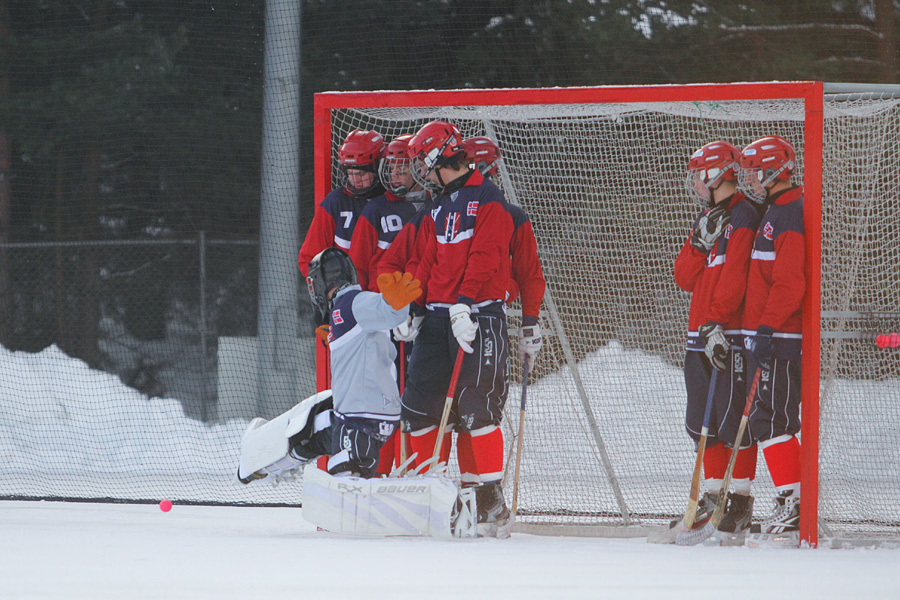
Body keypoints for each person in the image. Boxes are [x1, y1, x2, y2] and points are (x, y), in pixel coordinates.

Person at [400, 121, 520, 536]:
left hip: (476, 314)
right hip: (436, 317)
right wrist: (413, 306)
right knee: (418, 405)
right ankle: (429, 495)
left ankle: (489, 503)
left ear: (437, 158)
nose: (419, 169)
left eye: (421, 160)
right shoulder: (437, 205)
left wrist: (464, 304)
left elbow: (486, 257)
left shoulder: (489, 199)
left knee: (476, 407)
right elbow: (428, 260)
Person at [239, 247, 423, 482]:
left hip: (361, 417)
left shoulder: (353, 303)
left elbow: (388, 312)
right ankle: (262, 469)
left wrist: (396, 305)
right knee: (310, 429)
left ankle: (353, 502)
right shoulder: (345, 309)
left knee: (346, 480)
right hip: (360, 413)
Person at [673, 140, 762, 537]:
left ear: (714, 174)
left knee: (731, 422)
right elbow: (683, 278)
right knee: (702, 422)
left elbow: (737, 276)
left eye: (698, 175)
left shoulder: (744, 215)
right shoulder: (705, 218)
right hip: (699, 336)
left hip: (727, 335)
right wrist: (697, 244)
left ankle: (739, 500)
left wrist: (716, 321)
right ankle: (712, 496)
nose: (695, 182)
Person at [738, 135, 805, 538]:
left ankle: (796, 504)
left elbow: (789, 283)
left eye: (754, 170)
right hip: (767, 334)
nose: (749, 178)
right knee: (766, 417)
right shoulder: (774, 210)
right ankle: (788, 499)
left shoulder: (790, 213)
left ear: (775, 169)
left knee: (775, 418)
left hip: (780, 337)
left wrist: (766, 327)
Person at [348, 134, 425, 473]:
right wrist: (374, 315)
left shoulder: (434, 205)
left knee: (421, 398)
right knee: (387, 396)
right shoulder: (376, 209)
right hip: (385, 320)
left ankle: (419, 470)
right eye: (390, 168)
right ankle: (380, 470)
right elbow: (358, 267)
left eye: (403, 169)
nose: (395, 176)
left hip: (427, 317)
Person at [462, 136, 545, 375]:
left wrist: (530, 321)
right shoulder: (445, 206)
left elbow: (529, 273)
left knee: (483, 394)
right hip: (446, 312)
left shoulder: (512, 216)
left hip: (489, 316)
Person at [297, 130, 385, 278]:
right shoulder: (335, 203)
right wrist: (331, 290)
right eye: (350, 173)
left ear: (378, 167)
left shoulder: (393, 202)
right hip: (345, 294)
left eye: (361, 174)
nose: (355, 180)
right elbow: (309, 258)